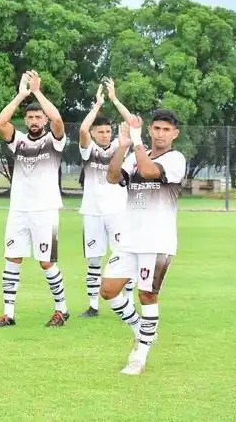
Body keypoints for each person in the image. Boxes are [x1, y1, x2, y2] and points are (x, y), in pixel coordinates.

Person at [102, 110, 186, 375]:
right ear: (150, 129)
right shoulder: (136, 155)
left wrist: (136, 141)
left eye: (166, 130)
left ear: (175, 134)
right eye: (156, 128)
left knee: (147, 295)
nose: (160, 134)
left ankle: (140, 355)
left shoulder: (175, 159)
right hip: (130, 239)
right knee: (108, 290)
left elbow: (150, 172)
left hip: (157, 241)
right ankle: (142, 331)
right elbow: (113, 177)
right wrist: (123, 146)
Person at [0, 70, 70, 328]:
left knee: (47, 261)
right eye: (30, 116)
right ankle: (9, 314)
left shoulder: (54, 141)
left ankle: (61, 309)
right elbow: (0, 124)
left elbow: (58, 119)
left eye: (38, 117)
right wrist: (20, 95)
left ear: (44, 120)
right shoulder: (20, 141)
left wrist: (37, 92)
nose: (34, 120)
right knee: (12, 258)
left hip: (46, 211)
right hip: (19, 210)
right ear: (25, 119)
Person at [77, 78, 137, 317]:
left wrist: (114, 99)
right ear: (93, 133)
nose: (104, 134)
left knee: (124, 255)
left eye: (107, 131)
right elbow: (82, 130)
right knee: (93, 260)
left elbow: (132, 123)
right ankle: (93, 306)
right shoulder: (88, 149)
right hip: (91, 211)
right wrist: (97, 106)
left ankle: (129, 301)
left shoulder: (118, 147)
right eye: (100, 131)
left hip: (117, 211)